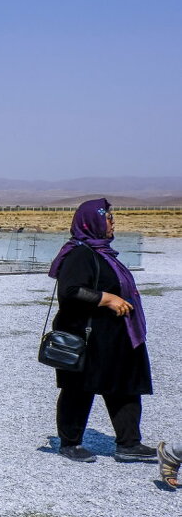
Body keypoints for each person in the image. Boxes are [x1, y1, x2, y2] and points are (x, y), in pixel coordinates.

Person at [49, 198, 154, 464]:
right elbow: (70, 291)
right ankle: (70, 443)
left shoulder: (104, 253)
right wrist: (108, 299)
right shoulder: (80, 253)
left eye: (112, 217)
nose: (112, 222)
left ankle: (129, 443)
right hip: (89, 335)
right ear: (92, 221)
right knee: (79, 388)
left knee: (125, 387)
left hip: (118, 335)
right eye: (107, 218)